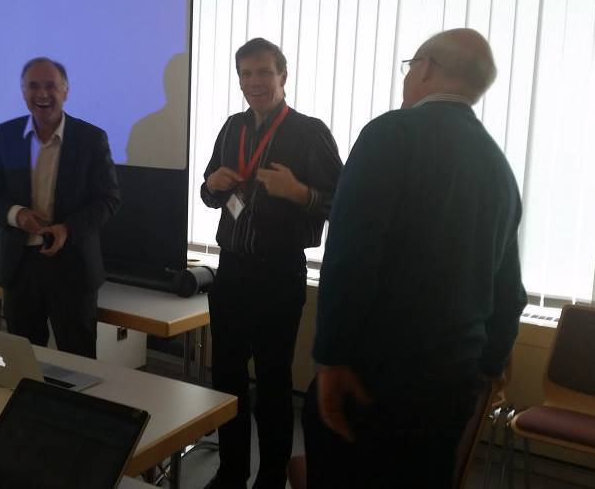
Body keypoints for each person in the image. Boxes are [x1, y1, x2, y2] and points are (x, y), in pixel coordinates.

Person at [302, 28, 528, 487]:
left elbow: (350, 256)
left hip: (376, 378)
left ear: (425, 68)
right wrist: (488, 368)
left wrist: (332, 357)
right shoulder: (498, 168)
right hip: (450, 385)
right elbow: (509, 292)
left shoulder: (389, 135)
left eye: (409, 67)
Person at [201, 38, 343, 489]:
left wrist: (300, 193)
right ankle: (231, 470)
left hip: (278, 272)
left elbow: (342, 201)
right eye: (246, 73)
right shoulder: (232, 128)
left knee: (273, 381)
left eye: (264, 72)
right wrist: (213, 184)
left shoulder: (310, 132)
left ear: (283, 75)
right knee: (226, 378)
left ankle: (271, 476)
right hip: (232, 270)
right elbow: (208, 194)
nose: (254, 82)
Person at [0, 57, 120, 359]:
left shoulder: (91, 139)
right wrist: (17, 215)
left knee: (78, 365)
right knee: (22, 362)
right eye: (33, 86)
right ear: (23, 92)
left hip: (73, 268)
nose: (42, 94)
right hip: (19, 268)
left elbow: (108, 200)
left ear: (65, 91)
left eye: (50, 86)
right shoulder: (6, 135)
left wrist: (67, 229)